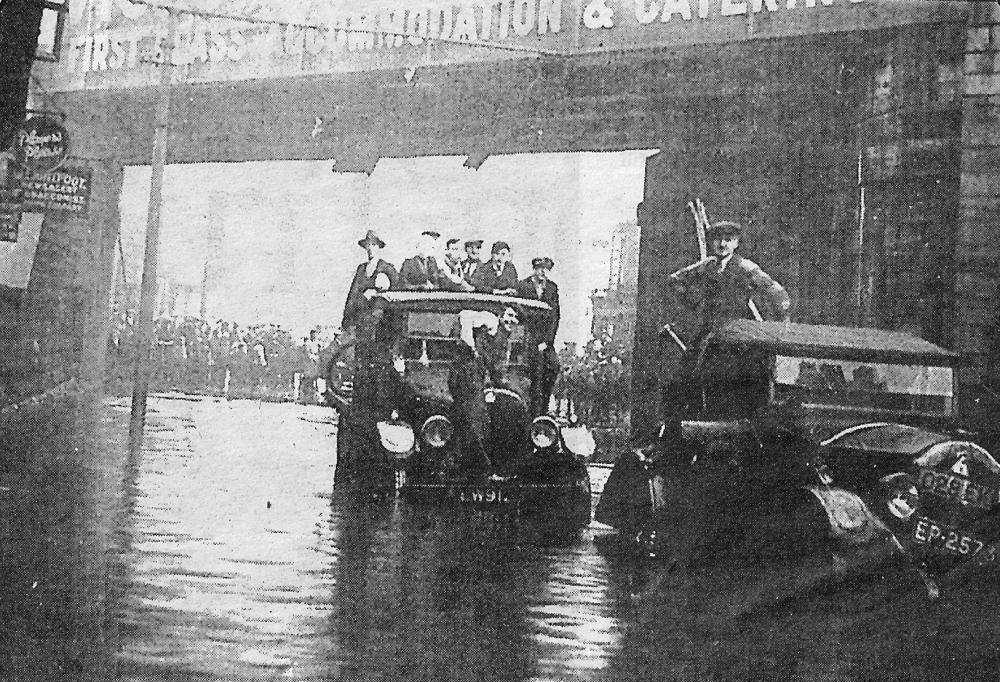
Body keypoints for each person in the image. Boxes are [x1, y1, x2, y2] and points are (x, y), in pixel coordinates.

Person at [668, 220, 790, 340]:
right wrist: (693, 301)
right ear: (711, 242)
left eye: (727, 240)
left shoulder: (745, 267)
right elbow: (675, 279)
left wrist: (783, 320)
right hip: (710, 330)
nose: (722, 244)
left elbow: (777, 292)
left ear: (736, 243)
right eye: (717, 239)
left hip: (738, 331)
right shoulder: (707, 265)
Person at [516, 257, 561, 416]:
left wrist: (547, 341)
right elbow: (519, 309)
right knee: (529, 369)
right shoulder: (523, 285)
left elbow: (555, 316)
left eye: (546, 269)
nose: (543, 272)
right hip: (526, 334)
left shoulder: (552, 288)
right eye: (540, 268)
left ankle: (543, 406)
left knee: (553, 366)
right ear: (534, 269)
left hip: (543, 338)